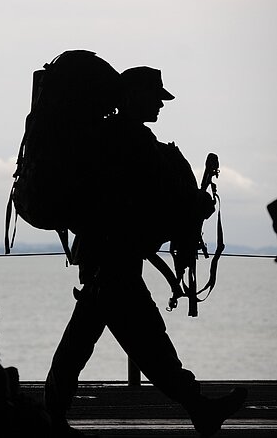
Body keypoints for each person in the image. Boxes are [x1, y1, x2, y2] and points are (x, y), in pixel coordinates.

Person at [43, 66, 247, 438]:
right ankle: (198, 407)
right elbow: (148, 198)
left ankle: (53, 415)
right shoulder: (128, 139)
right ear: (133, 96)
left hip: (106, 256)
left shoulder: (116, 136)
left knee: (93, 339)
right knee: (146, 341)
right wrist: (194, 206)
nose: (160, 104)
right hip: (113, 258)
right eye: (155, 96)